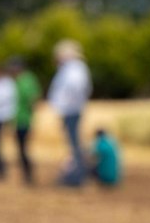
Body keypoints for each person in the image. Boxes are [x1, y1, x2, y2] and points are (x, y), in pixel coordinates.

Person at [48, 39, 93, 187]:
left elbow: (74, 89)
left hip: (72, 110)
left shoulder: (74, 69)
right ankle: (76, 174)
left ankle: (78, 176)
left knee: (75, 145)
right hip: (70, 110)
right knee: (73, 144)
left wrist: (66, 104)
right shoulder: (71, 68)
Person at [8, 57, 40, 185]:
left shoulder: (26, 80)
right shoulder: (19, 80)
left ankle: (29, 175)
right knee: (21, 149)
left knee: (23, 148)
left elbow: (32, 99)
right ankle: (26, 175)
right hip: (19, 119)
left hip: (24, 120)